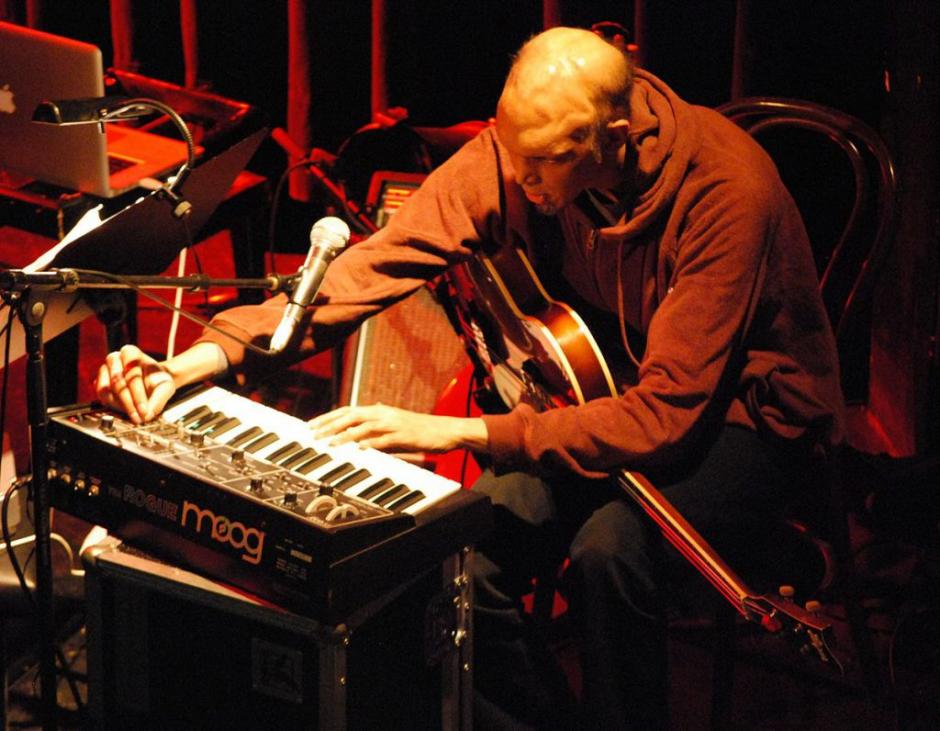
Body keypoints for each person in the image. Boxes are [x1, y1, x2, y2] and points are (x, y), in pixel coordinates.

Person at [96, 26, 844, 730]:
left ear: (614, 141)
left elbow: (666, 416)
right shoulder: (526, 148)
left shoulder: (725, 193)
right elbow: (373, 265)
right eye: (511, 149)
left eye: (542, 164)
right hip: (597, 397)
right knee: (461, 555)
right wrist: (198, 359)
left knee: (609, 550)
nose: (518, 177)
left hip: (745, 421)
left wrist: (460, 431)